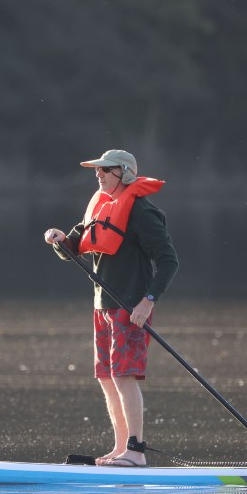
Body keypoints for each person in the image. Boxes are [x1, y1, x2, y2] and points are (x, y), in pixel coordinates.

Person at [44, 149, 179, 466]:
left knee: (123, 377)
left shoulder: (142, 212)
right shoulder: (100, 207)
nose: (99, 174)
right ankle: (121, 449)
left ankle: (136, 451)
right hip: (102, 306)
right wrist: (59, 240)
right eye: (97, 170)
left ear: (125, 173)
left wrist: (149, 301)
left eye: (106, 170)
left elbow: (169, 261)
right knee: (106, 377)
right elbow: (73, 249)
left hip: (131, 306)